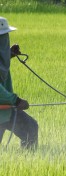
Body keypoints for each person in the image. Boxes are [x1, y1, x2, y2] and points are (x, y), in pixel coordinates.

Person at [0, 16, 38, 149]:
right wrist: (16, 101)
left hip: (6, 111)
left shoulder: (1, 54)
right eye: (4, 36)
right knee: (30, 129)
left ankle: (28, 163)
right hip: (4, 109)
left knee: (30, 128)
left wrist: (8, 54)